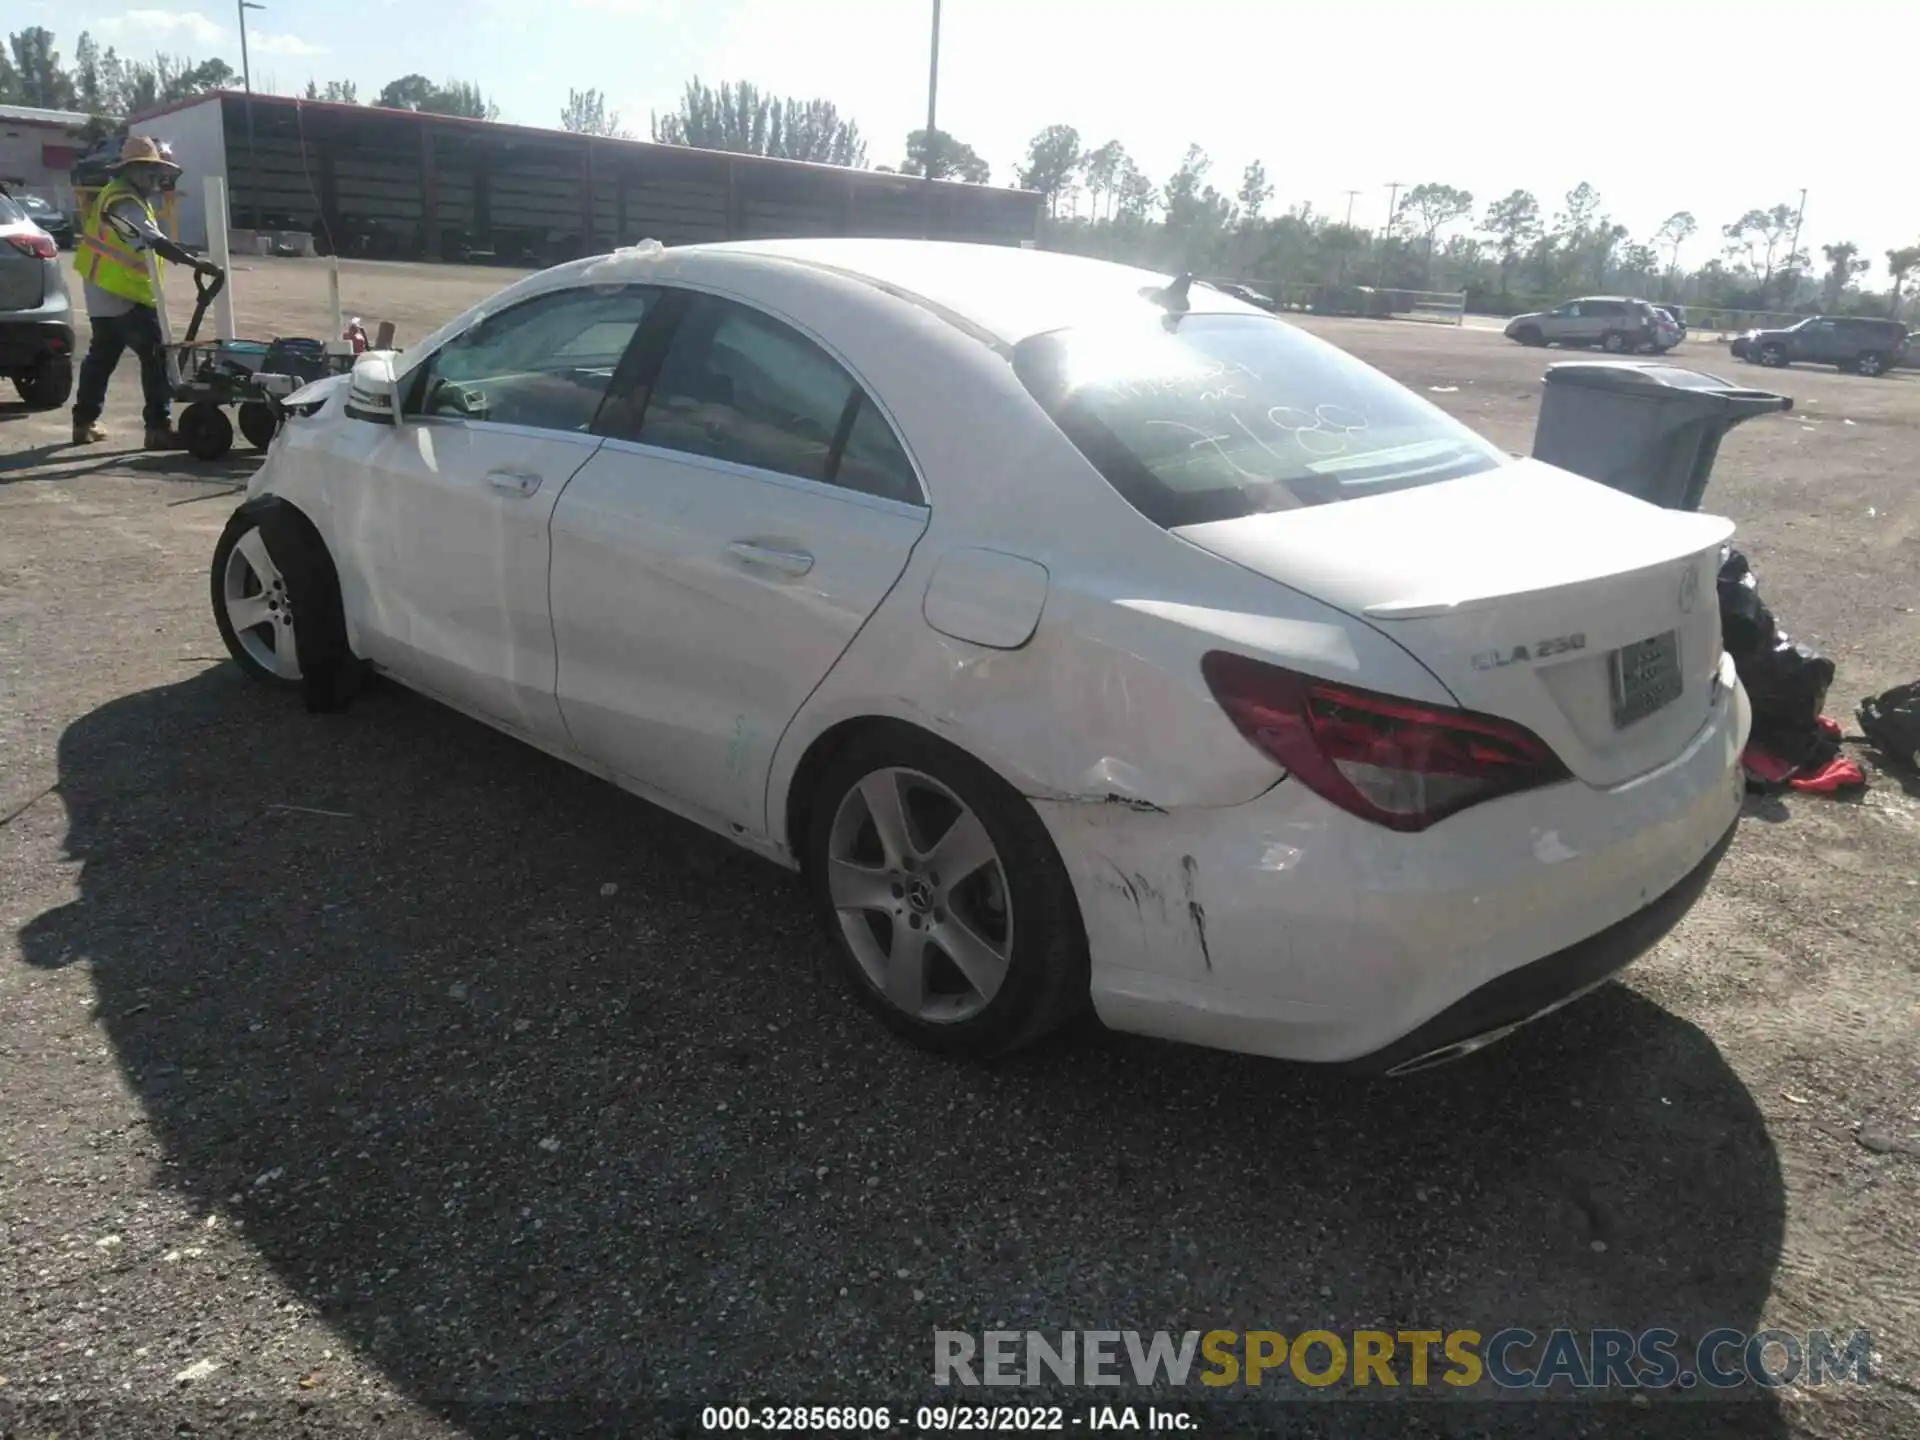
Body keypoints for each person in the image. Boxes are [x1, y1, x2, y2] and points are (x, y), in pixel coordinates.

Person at [69, 135, 223, 448]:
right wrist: (194, 262)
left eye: (157, 172)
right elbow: (152, 239)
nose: (155, 179)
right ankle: (158, 428)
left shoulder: (118, 196)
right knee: (157, 359)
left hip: (103, 295)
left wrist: (181, 251)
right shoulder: (125, 200)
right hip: (126, 296)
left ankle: (83, 423)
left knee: (101, 359)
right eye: (150, 172)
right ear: (133, 170)